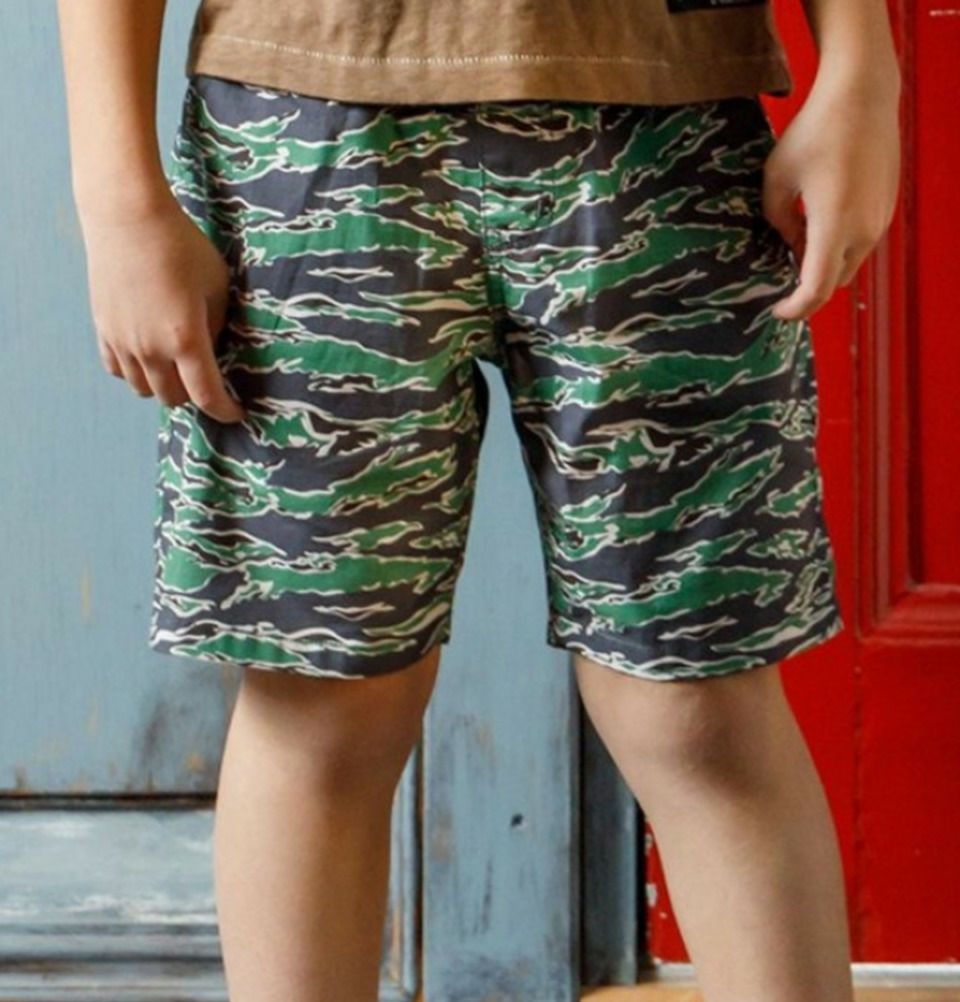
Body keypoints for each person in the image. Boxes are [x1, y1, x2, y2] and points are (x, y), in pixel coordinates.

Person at [56, 1, 900, 999]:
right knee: (320, 701)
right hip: (303, 122)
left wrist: (862, 67)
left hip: (667, 125)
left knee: (699, 700)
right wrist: (118, 197)